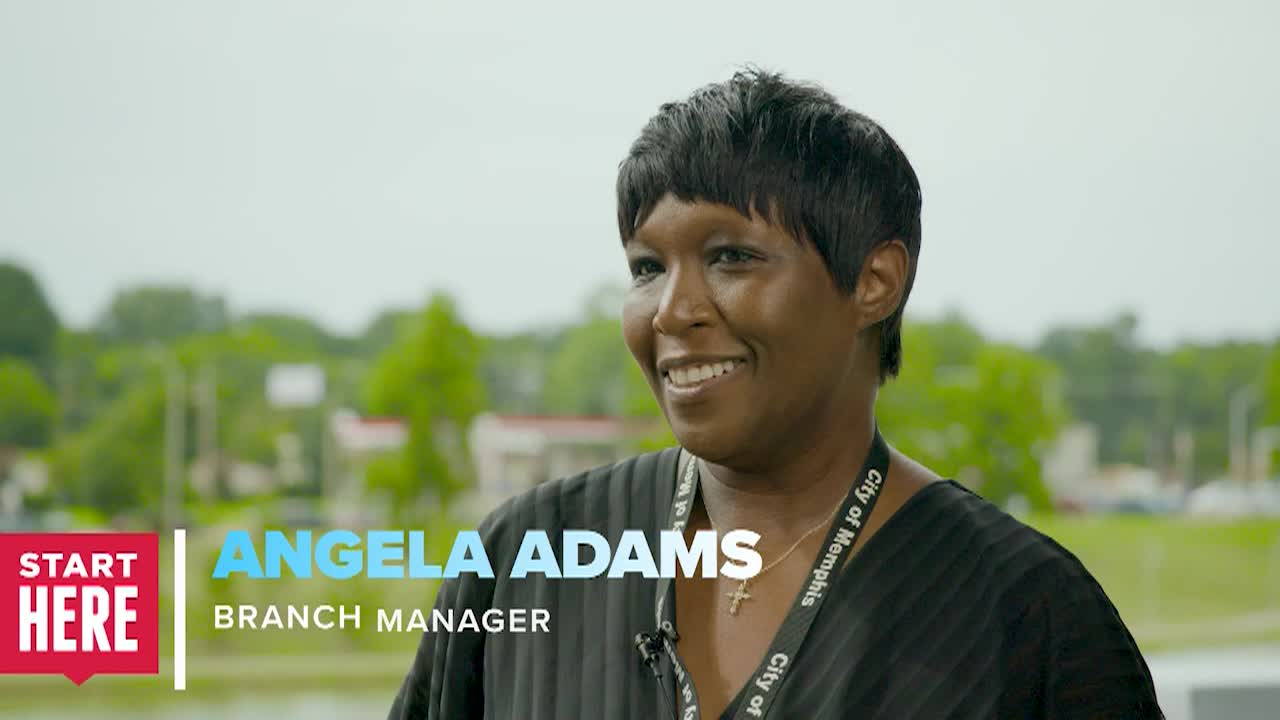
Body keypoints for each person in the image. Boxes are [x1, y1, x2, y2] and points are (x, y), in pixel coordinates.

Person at [388, 69, 1163, 719]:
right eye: (648, 268)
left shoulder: (1027, 617)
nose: (672, 311)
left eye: (730, 257)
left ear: (874, 281)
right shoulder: (528, 557)